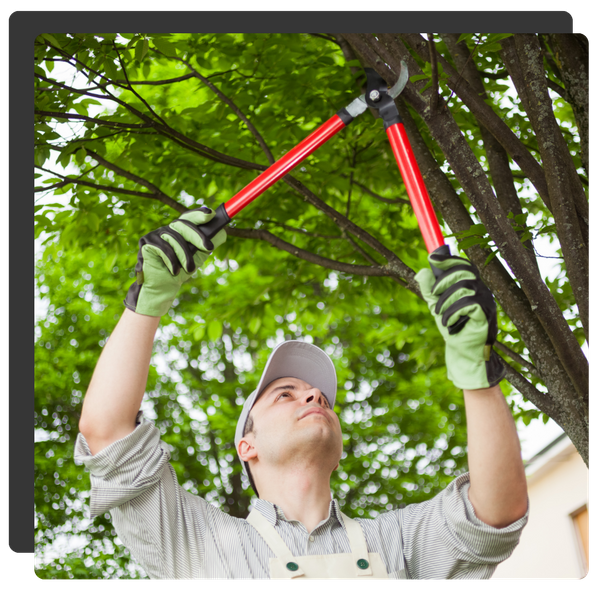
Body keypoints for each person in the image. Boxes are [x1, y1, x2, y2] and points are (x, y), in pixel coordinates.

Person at [75, 208, 529, 580]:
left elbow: (496, 513)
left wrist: (477, 371)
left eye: (322, 399)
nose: (313, 397)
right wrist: (148, 300)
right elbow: (108, 433)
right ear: (245, 446)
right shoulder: (198, 543)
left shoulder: (398, 542)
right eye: (285, 395)